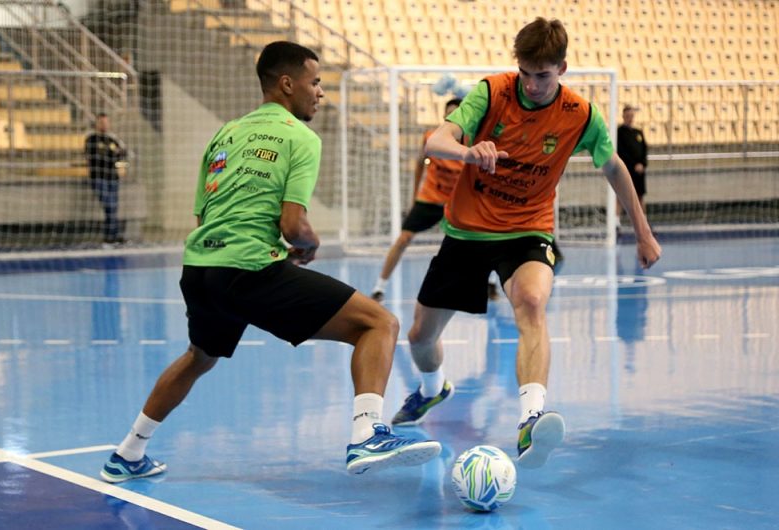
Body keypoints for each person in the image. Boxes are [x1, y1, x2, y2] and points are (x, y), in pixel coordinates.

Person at [100, 41, 441, 483]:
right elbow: (293, 225)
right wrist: (310, 242)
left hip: (201, 267)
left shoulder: (224, 134)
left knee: (199, 357)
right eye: (315, 82)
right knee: (379, 324)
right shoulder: (300, 137)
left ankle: (127, 453)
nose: (320, 92)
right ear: (287, 84)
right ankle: (367, 435)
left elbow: (204, 214)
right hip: (249, 269)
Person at [390, 18, 661, 469]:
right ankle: (433, 387)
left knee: (532, 301)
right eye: (526, 73)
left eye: (544, 75)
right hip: (466, 233)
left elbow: (614, 168)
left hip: (527, 230)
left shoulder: (580, 115)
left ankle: (531, 420)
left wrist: (643, 232)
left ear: (563, 69)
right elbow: (437, 142)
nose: (533, 85)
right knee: (421, 337)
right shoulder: (492, 93)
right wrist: (467, 151)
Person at [370, 99, 500, 302]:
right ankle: (380, 287)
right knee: (403, 239)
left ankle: (490, 283)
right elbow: (421, 163)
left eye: (457, 114)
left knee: (485, 238)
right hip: (430, 198)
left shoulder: (474, 143)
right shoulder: (432, 138)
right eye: (449, 115)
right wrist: (415, 195)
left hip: (458, 201)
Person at [85, 112, 127, 244]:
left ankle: (111, 236)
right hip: (99, 177)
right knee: (109, 205)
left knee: (113, 207)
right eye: (102, 122)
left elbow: (122, 153)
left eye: (106, 122)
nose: (104, 125)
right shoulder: (91, 138)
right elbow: (95, 156)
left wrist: (111, 155)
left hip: (112, 177)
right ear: (97, 123)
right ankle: (111, 235)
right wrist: (110, 155)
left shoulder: (113, 139)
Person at [617, 104, 648, 222]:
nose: (630, 118)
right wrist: (633, 164)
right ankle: (616, 224)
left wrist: (642, 164)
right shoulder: (619, 132)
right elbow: (621, 151)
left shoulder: (638, 132)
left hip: (639, 172)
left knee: (640, 197)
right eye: (628, 115)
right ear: (623, 116)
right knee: (620, 197)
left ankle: (644, 224)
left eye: (632, 115)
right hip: (626, 170)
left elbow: (645, 149)